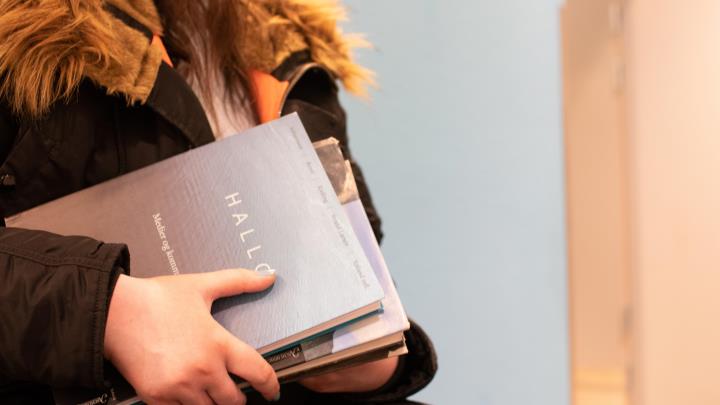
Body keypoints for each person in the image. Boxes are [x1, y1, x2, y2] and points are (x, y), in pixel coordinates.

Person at [0, 0, 437, 404]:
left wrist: (374, 358)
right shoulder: (26, 26)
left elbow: (364, 279)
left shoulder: (289, 46)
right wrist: (109, 311)